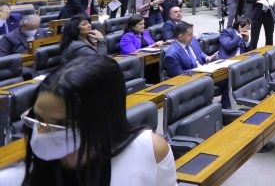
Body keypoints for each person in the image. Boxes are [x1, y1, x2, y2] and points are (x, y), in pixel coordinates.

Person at [19, 55, 175, 185]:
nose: (42, 133)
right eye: (38, 118)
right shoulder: (17, 174)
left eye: (61, 124)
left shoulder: (150, 150)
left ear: (101, 120)